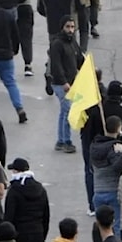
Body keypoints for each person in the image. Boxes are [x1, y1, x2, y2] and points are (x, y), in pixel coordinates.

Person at [48, 16, 82, 153]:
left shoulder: (73, 42)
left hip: (72, 82)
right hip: (61, 84)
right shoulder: (57, 44)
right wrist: (64, 82)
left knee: (64, 111)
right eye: (68, 27)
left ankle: (61, 140)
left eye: (72, 27)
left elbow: (79, 58)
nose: (70, 30)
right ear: (62, 27)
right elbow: (56, 65)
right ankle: (66, 141)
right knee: (67, 111)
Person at [4, 158, 49, 242]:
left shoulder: (14, 190)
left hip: (20, 235)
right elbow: (46, 216)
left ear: (15, 171)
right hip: (38, 233)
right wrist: (43, 235)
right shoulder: (41, 189)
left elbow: (9, 216)